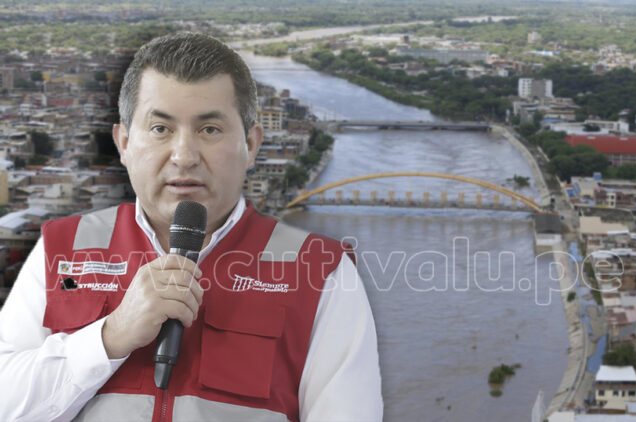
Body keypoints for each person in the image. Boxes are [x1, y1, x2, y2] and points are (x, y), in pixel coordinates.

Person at [0, 32, 382, 421]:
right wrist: (109, 337)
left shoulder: (321, 271)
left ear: (251, 144)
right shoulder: (62, 248)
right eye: (160, 129)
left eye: (209, 129)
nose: (184, 156)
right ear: (124, 143)